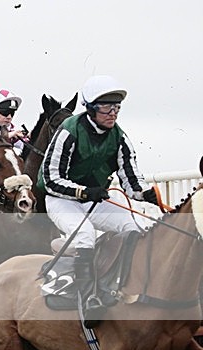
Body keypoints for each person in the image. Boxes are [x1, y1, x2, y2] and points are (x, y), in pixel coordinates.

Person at [38, 74, 160, 326]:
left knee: (135, 227)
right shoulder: (68, 131)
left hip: (93, 200)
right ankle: (89, 297)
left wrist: (144, 194)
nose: (113, 113)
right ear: (91, 108)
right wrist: (82, 191)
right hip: (61, 200)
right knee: (85, 235)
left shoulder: (119, 136)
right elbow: (50, 179)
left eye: (116, 107)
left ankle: (124, 285)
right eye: (107, 107)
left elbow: (131, 177)